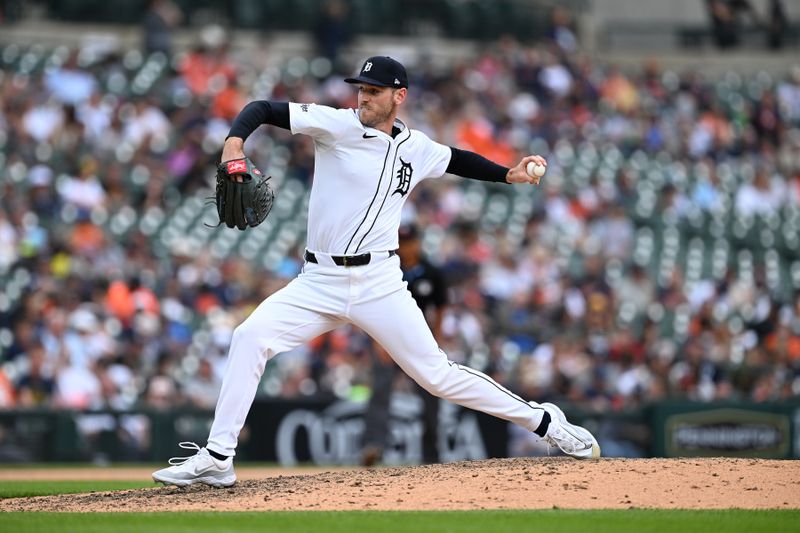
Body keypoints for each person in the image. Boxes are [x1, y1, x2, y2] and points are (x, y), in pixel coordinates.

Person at [153, 56, 600, 488]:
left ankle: (545, 422)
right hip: (319, 281)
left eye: (373, 91)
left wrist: (509, 175)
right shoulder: (336, 125)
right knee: (249, 337)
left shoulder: (416, 147)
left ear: (399, 96)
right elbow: (263, 109)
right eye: (361, 89)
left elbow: (458, 159)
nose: (363, 97)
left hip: (379, 283)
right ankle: (217, 458)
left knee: (437, 375)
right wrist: (235, 143)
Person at [361, 223, 447, 466]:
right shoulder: (387, 268)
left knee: (432, 392)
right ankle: (373, 447)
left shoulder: (431, 272)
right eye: (402, 242)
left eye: (409, 242)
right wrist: (379, 343)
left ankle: (432, 455)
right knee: (380, 392)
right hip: (387, 340)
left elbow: (441, 309)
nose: (406, 247)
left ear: (418, 243)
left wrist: (436, 342)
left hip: (419, 342)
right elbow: (371, 307)